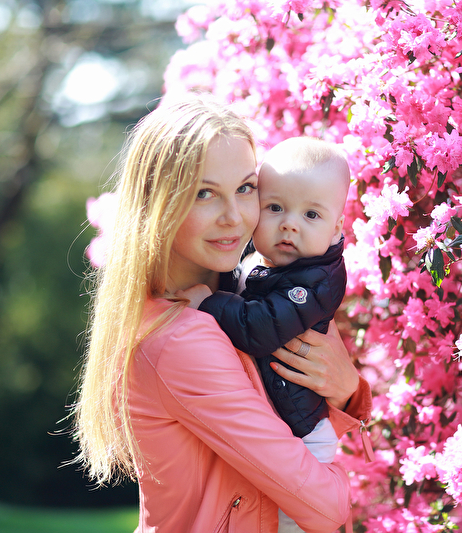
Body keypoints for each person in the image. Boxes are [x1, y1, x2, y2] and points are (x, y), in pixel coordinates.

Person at [71, 95, 371, 533]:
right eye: (205, 193)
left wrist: (346, 390)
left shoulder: (250, 289)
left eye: (246, 188)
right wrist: (341, 470)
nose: (234, 217)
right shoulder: (185, 336)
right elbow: (327, 508)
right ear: (159, 205)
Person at [179, 136, 350, 459]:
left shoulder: (316, 281)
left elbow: (259, 327)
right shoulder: (261, 261)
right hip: (278, 417)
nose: (289, 225)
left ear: (336, 228)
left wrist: (207, 302)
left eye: (311, 215)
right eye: (275, 208)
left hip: (305, 432)